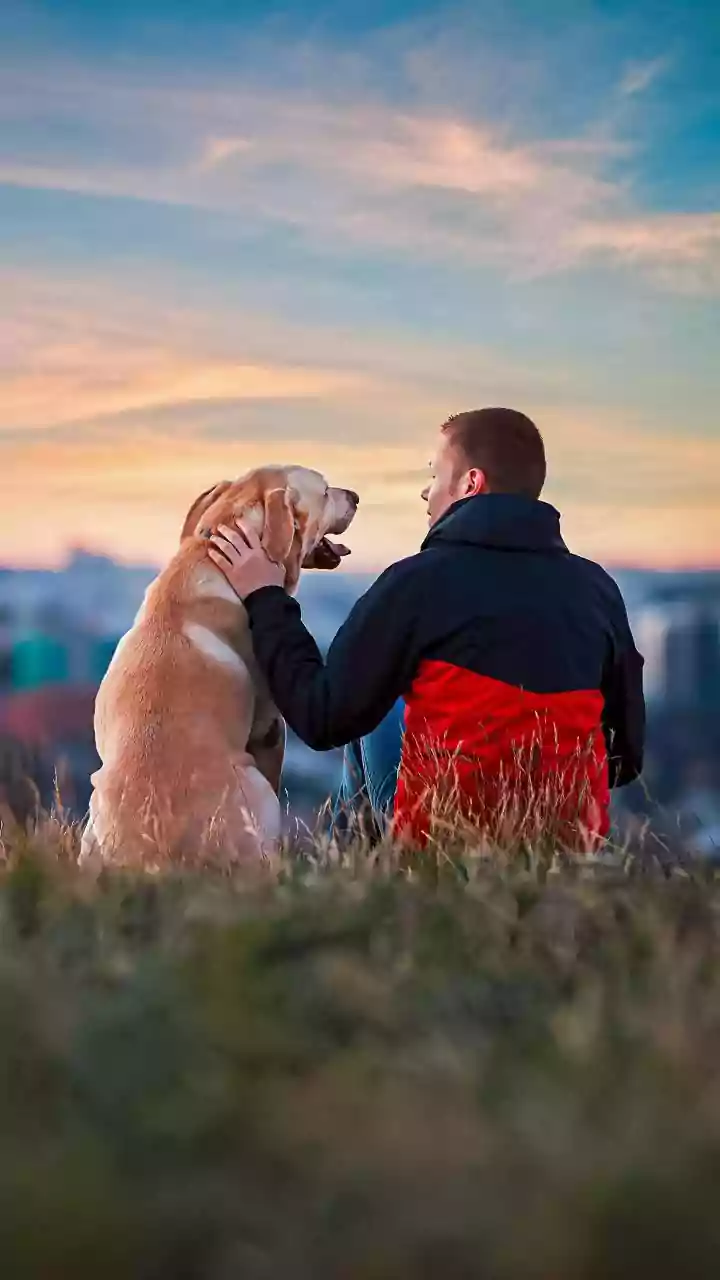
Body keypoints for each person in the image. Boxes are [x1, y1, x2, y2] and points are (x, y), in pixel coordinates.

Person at [208, 409, 645, 846]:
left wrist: (266, 596)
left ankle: (346, 872)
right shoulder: (598, 591)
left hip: (442, 840)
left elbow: (320, 718)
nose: (426, 491)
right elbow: (624, 757)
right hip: (566, 842)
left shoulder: (415, 583)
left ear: (470, 484)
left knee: (372, 708)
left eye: (435, 475)